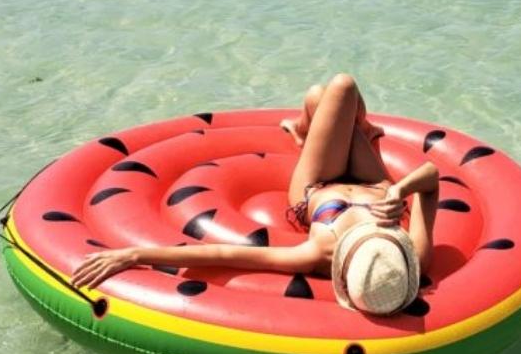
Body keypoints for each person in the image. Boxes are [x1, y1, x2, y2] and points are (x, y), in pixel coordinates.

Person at [70, 74, 436, 315]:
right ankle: (341, 129)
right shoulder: (411, 255)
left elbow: (225, 253)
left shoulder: (316, 252)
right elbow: (431, 179)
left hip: (319, 185)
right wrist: (401, 188)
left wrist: (132, 254)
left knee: (326, 93)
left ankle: (305, 133)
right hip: (376, 182)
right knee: (339, 88)